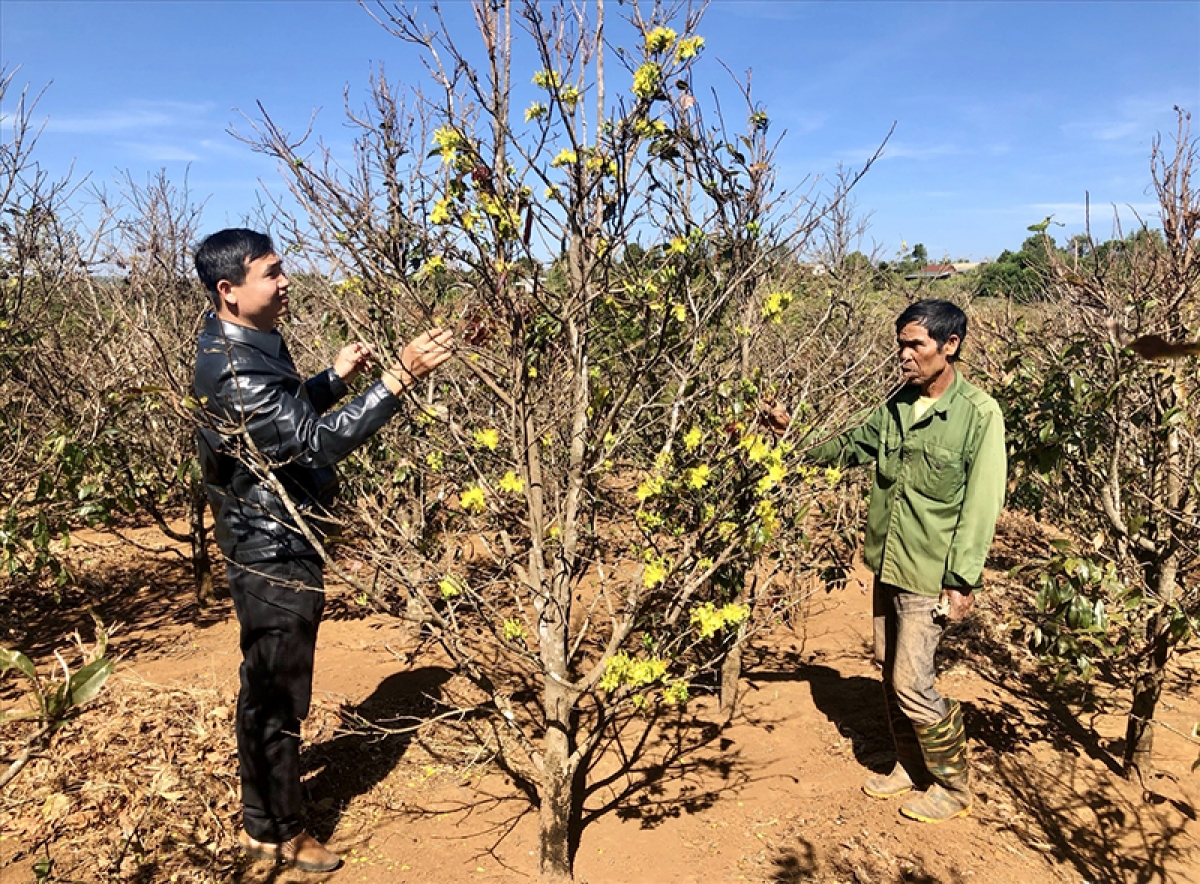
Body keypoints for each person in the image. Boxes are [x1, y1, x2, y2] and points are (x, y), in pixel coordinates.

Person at [192, 228, 453, 870]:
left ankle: (269, 813)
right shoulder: (232, 366)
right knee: (276, 689)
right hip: (269, 548)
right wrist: (398, 380)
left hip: (274, 536)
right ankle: (272, 829)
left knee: (271, 681)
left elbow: (280, 422)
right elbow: (312, 444)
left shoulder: (245, 343)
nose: (285, 284)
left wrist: (332, 380)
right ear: (228, 290)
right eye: (271, 274)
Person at [808, 299, 1006, 823]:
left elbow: (981, 505)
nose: (905, 355)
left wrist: (962, 581)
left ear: (950, 346)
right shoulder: (898, 405)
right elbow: (850, 446)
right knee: (888, 667)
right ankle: (908, 767)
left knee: (912, 682)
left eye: (916, 344)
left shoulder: (979, 414)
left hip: (930, 574)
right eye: (901, 344)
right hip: (889, 563)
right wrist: (791, 437)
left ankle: (953, 787)